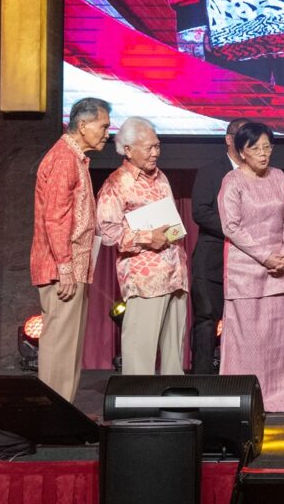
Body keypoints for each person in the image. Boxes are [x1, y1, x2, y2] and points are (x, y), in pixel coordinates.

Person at [30, 97, 110, 401]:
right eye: (103, 126)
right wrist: (64, 266)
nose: (106, 133)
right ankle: (52, 411)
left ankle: (63, 409)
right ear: (83, 125)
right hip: (61, 268)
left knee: (69, 347)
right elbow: (55, 217)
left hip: (73, 266)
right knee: (59, 346)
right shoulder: (64, 158)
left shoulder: (76, 158)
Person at [96, 117, 189, 376]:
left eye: (157, 146)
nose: (155, 153)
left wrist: (172, 233)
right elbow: (107, 231)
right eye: (149, 148)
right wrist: (148, 237)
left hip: (175, 273)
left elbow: (172, 222)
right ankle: (137, 398)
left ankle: (172, 396)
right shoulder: (117, 183)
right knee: (140, 352)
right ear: (128, 150)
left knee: (174, 354)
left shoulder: (161, 178)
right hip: (145, 278)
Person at [219, 122, 284, 410]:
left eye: (267, 147)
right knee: (247, 341)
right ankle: (242, 399)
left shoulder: (278, 176)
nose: (263, 154)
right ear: (242, 151)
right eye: (256, 149)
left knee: (274, 340)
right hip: (246, 271)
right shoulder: (233, 181)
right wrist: (265, 256)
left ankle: (276, 398)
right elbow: (231, 227)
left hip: (277, 269)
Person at [189, 117, 251, 375]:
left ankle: (240, 377)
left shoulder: (260, 174)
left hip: (248, 261)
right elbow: (201, 212)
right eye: (243, 136)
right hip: (212, 259)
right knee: (207, 319)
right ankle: (202, 379)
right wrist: (236, 231)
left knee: (245, 322)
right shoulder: (210, 171)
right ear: (229, 139)